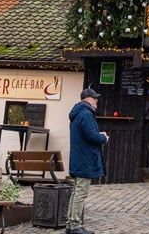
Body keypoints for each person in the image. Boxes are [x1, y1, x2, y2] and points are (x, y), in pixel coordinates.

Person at [65, 87, 108, 234]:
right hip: (85, 159)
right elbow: (92, 136)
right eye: (94, 97)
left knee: (76, 191)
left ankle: (71, 224)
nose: (96, 100)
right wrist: (103, 137)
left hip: (78, 157)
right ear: (87, 99)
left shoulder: (77, 113)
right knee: (80, 192)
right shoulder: (86, 114)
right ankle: (75, 225)